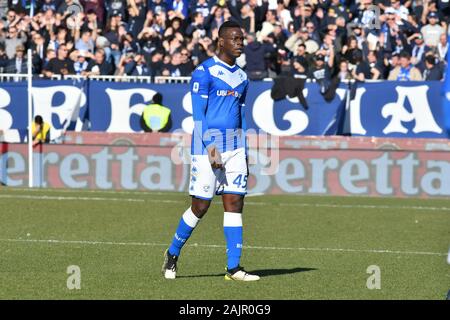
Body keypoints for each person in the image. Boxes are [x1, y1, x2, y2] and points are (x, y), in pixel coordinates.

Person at [161, 21, 260, 282]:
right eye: (235, 39)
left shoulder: (242, 77)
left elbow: (241, 113)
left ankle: (233, 268)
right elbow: (198, 115)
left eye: (242, 39)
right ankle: (172, 253)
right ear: (221, 41)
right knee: (200, 207)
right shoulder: (204, 72)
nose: (240, 43)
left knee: (235, 202)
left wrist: (245, 150)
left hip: (235, 147)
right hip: (207, 147)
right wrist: (210, 146)